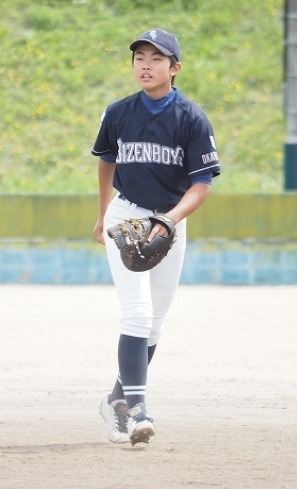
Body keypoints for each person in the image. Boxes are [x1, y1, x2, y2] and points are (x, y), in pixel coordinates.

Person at [91, 28, 221, 445]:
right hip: (126, 216)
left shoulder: (191, 118)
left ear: (174, 67)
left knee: (155, 323)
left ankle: (115, 400)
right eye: (139, 58)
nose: (145, 65)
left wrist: (170, 220)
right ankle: (138, 410)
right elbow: (107, 162)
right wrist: (102, 214)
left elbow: (201, 184)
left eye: (156, 58)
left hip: (169, 221)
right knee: (137, 313)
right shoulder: (118, 113)